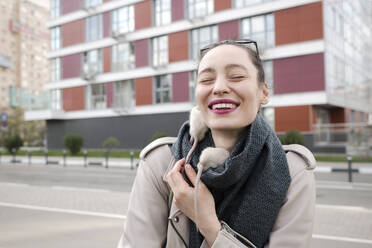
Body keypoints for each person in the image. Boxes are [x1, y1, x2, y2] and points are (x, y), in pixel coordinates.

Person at [117, 40, 316, 248]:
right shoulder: (161, 163)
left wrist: (208, 224)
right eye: (207, 79)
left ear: (264, 92)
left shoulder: (293, 172)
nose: (219, 87)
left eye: (237, 76)